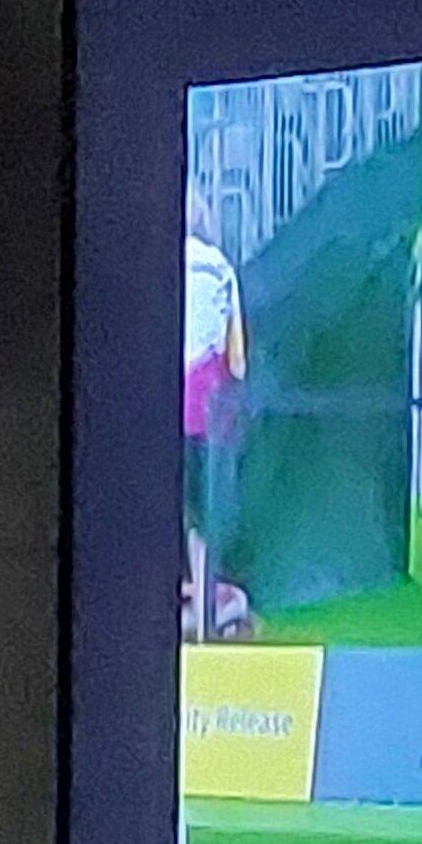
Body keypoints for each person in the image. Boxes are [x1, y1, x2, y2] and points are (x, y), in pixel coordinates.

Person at [183, 206, 249, 639]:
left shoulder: (152, 260)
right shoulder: (222, 268)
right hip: (208, 404)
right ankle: (208, 615)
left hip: (163, 402)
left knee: (184, 514)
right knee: (205, 514)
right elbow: (238, 361)